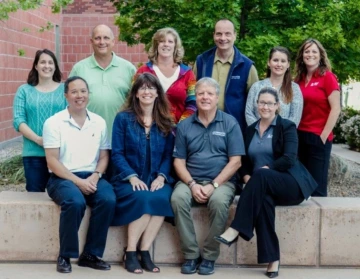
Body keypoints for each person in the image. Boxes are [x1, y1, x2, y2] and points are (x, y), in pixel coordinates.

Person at [215, 87, 317, 278]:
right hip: (262, 186)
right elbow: (244, 162)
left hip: (290, 184)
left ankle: (237, 227)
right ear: (257, 105)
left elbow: (289, 158)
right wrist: (246, 178)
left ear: (277, 106)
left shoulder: (286, 127)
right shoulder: (250, 130)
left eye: (269, 103)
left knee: (261, 175)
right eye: (261, 102)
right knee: (263, 202)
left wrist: (263, 171)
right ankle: (273, 260)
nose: (265, 106)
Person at [171, 77, 245, 275]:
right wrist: (192, 184)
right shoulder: (185, 126)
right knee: (177, 198)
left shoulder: (229, 123)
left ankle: (210, 256)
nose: (205, 97)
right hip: (190, 180)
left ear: (217, 97)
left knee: (219, 203)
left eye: (210, 93)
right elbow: (178, 162)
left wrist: (214, 184)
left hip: (222, 182)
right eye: (201, 93)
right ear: (196, 97)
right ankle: (191, 255)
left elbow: (236, 161)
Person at [43, 76, 116, 274]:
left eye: (83, 91)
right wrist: (78, 181)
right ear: (66, 95)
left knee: (108, 199)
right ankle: (65, 255)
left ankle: (90, 255)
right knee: (75, 202)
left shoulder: (99, 122)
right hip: (62, 178)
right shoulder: (54, 122)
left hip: (91, 175)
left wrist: (95, 176)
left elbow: (104, 156)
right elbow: (52, 161)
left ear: (88, 95)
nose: (79, 95)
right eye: (74, 92)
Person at [111, 73, 174, 274]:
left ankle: (144, 251)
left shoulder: (166, 121)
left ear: (158, 93)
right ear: (136, 93)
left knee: (162, 196)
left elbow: (168, 156)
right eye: (142, 88)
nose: (147, 91)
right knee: (143, 198)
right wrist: (132, 176)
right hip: (127, 178)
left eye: (151, 88)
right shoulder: (123, 119)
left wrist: (162, 176)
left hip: (155, 177)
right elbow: (117, 153)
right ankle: (130, 252)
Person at [69, 24, 136, 142]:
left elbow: (136, 100)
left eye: (106, 38)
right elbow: (69, 100)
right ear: (91, 41)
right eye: (97, 38)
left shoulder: (128, 68)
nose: (102, 42)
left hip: (121, 137)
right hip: (87, 136)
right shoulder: (79, 68)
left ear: (113, 41)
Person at [13, 49, 67, 192]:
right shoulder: (24, 90)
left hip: (61, 154)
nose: (46, 66)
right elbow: (18, 120)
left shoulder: (64, 90)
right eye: (42, 62)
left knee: (62, 196)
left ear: (55, 66)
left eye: (50, 62)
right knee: (35, 197)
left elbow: (70, 119)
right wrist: (38, 139)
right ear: (36, 66)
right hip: (33, 154)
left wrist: (53, 142)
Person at [193, 18, 258, 133]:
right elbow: (191, 94)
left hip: (234, 128)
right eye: (219, 34)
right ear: (214, 35)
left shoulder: (247, 66)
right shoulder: (201, 61)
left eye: (227, 34)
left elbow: (255, 102)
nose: (223, 38)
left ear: (235, 35)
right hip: (202, 126)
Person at [294, 38, 341, 197]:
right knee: (301, 184)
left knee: (317, 188)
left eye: (314, 51)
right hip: (299, 136)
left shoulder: (327, 77)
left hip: (318, 137)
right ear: (302, 55)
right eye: (307, 51)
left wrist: (323, 135)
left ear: (321, 56)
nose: (310, 54)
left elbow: (336, 108)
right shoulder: (298, 80)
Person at [135, 27, 196, 127]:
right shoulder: (142, 71)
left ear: (175, 46)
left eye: (170, 41)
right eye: (162, 41)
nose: (166, 44)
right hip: (147, 130)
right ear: (156, 45)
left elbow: (193, 104)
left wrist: (181, 127)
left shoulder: (188, 73)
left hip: (179, 132)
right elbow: (133, 99)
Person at [245, 46, 303, 126]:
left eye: (283, 61)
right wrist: (260, 131)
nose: (279, 64)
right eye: (275, 60)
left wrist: (279, 133)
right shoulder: (256, 86)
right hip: (258, 135)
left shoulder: (294, 88)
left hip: (283, 136)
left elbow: (295, 118)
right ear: (269, 62)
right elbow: (249, 113)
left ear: (288, 65)